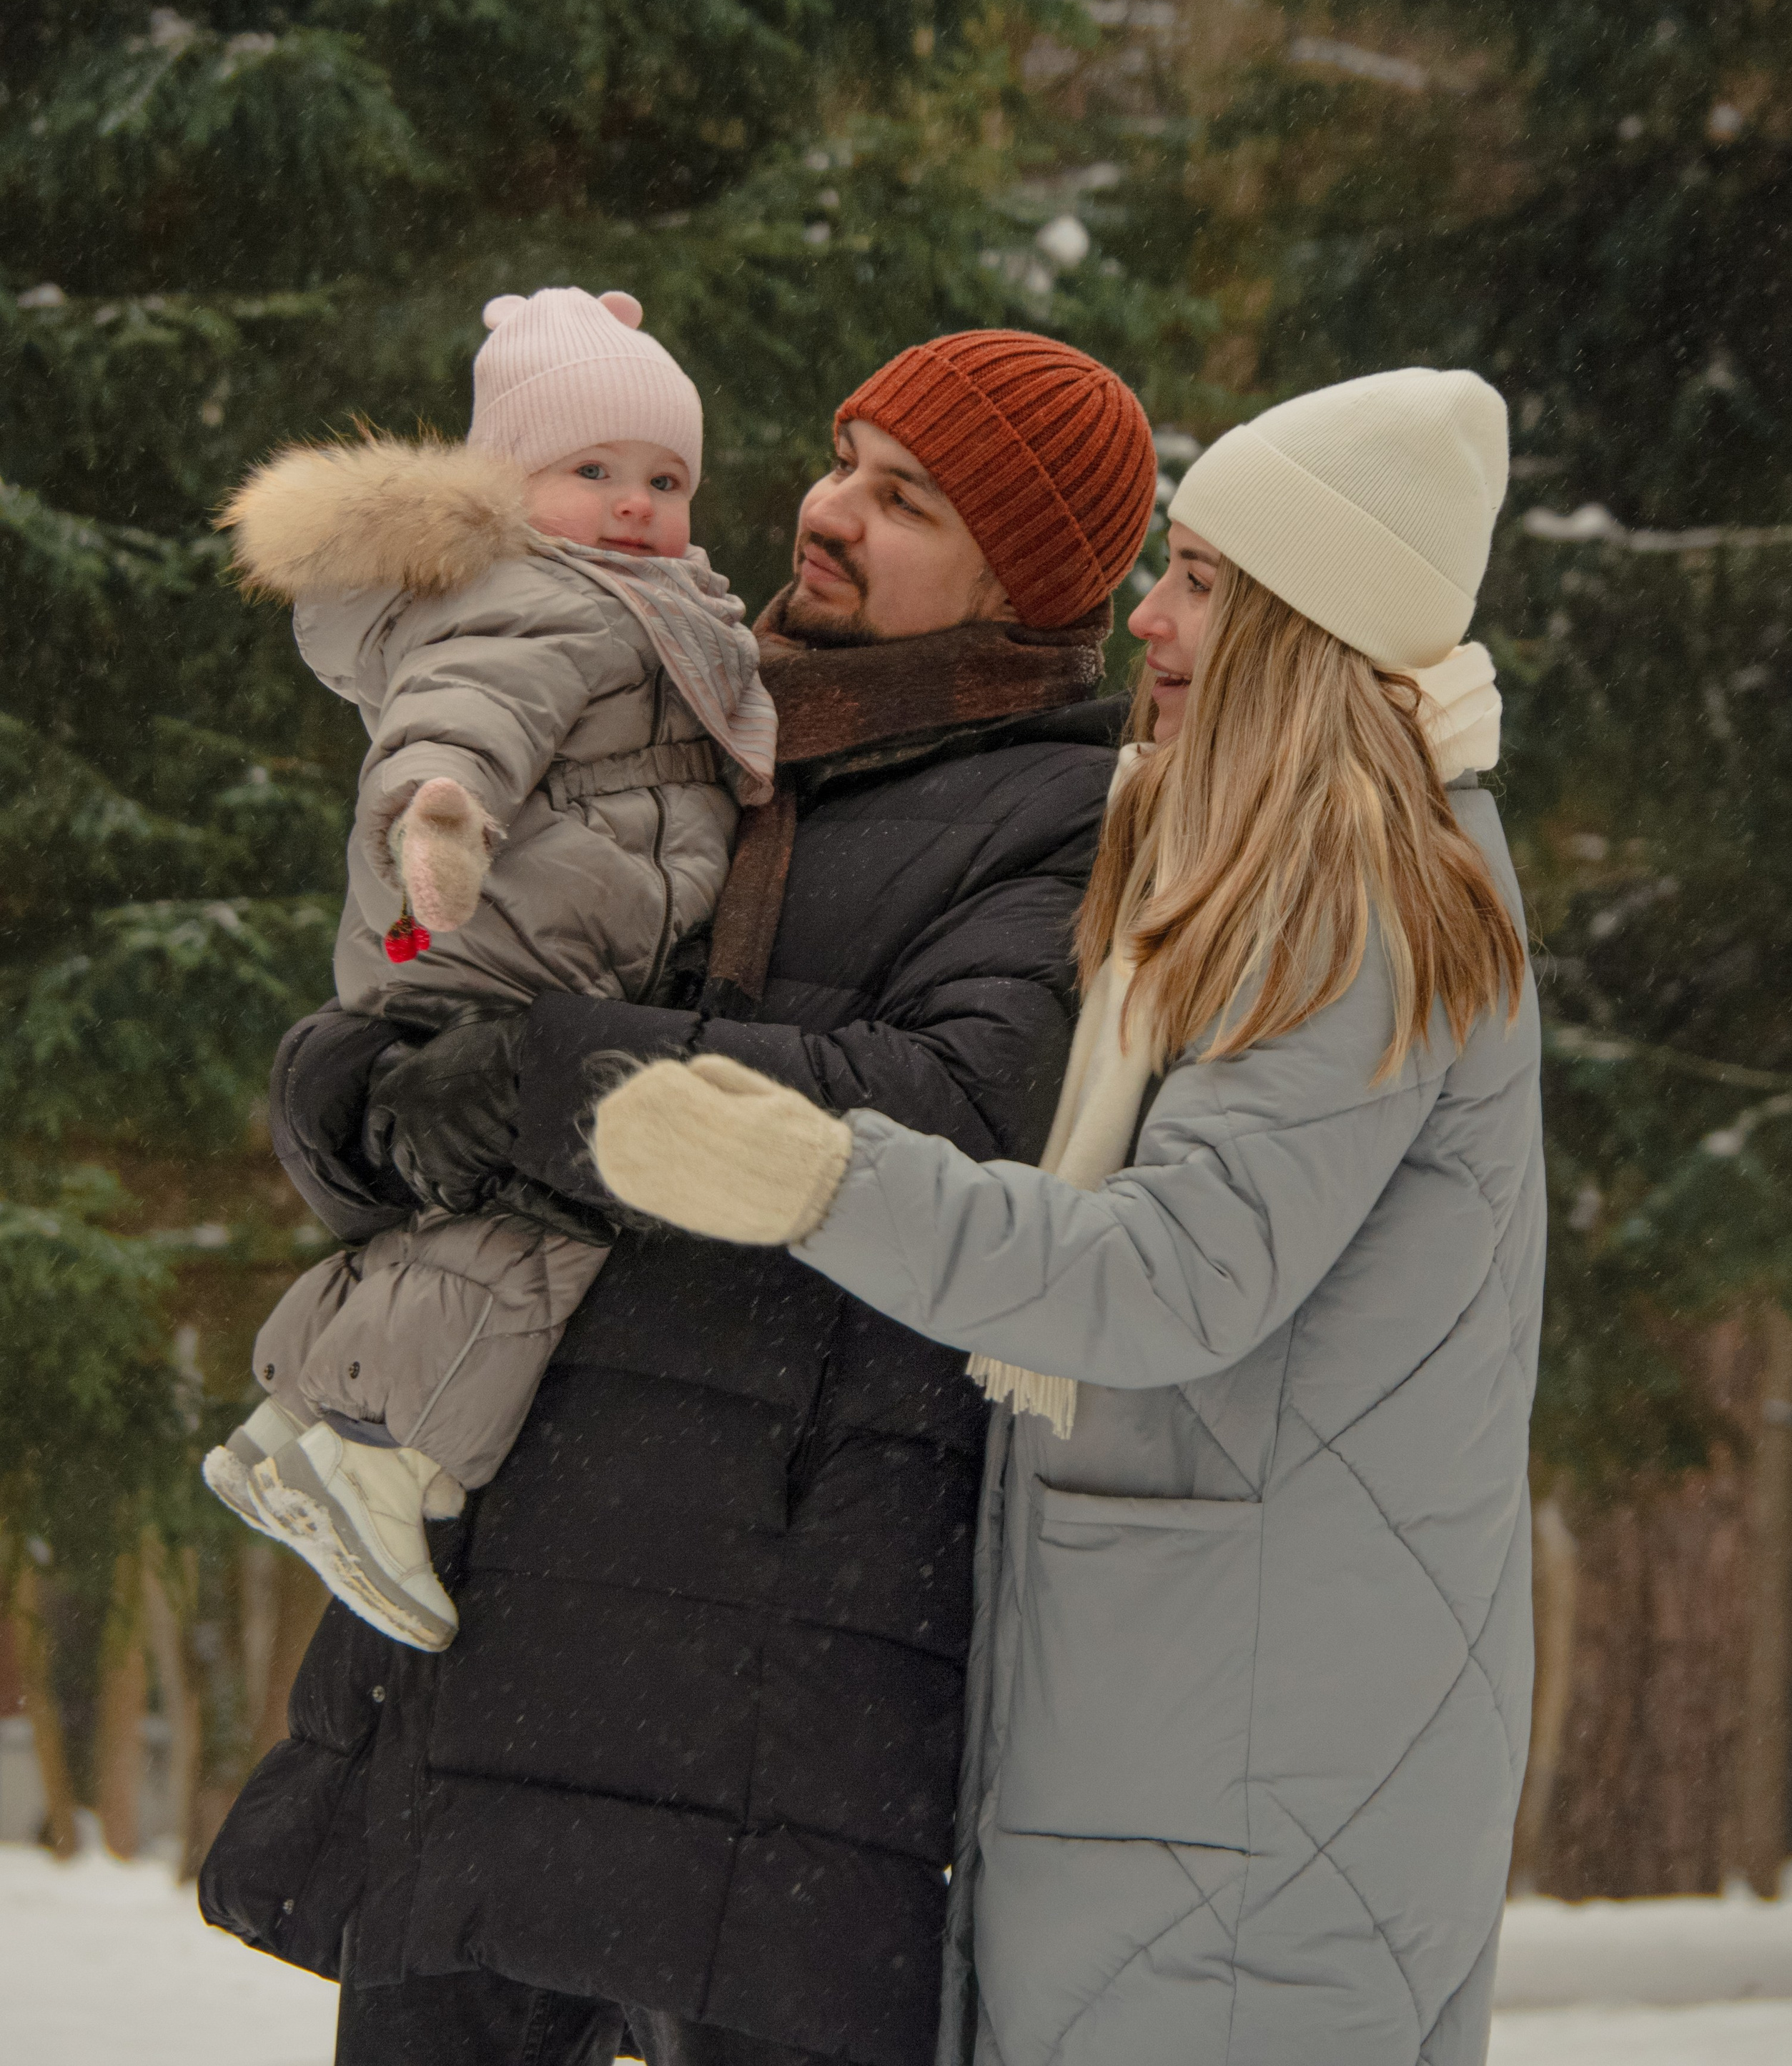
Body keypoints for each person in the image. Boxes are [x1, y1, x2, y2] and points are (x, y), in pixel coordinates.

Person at [200, 330, 1159, 2066]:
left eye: (906, 497)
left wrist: (542, 1075)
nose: (832, 509)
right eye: (844, 457)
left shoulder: (1064, 812)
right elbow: (428, 993)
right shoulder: (677, 699)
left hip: (773, 1651)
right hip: (502, 1607)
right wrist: (350, 1098)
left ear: (1022, 578)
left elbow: (944, 1108)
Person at [592, 367, 1547, 2066]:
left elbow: (1172, 1277)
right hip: (1206, 1741)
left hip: (1247, 1779)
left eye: (1197, 583)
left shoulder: (1354, 890)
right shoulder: (1261, 858)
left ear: (1296, 626)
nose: (1150, 617)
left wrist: (824, 1175)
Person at [200, 287, 776, 1654]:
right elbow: (464, 713)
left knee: (451, 1214)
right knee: (543, 1225)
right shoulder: (539, 595)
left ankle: (296, 1426)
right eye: (593, 472)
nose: (635, 504)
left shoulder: (643, 600)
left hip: (520, 942)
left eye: (665, 479)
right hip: (488, 935)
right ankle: (389, 1463)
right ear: (510, 485)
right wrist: (444, 812)